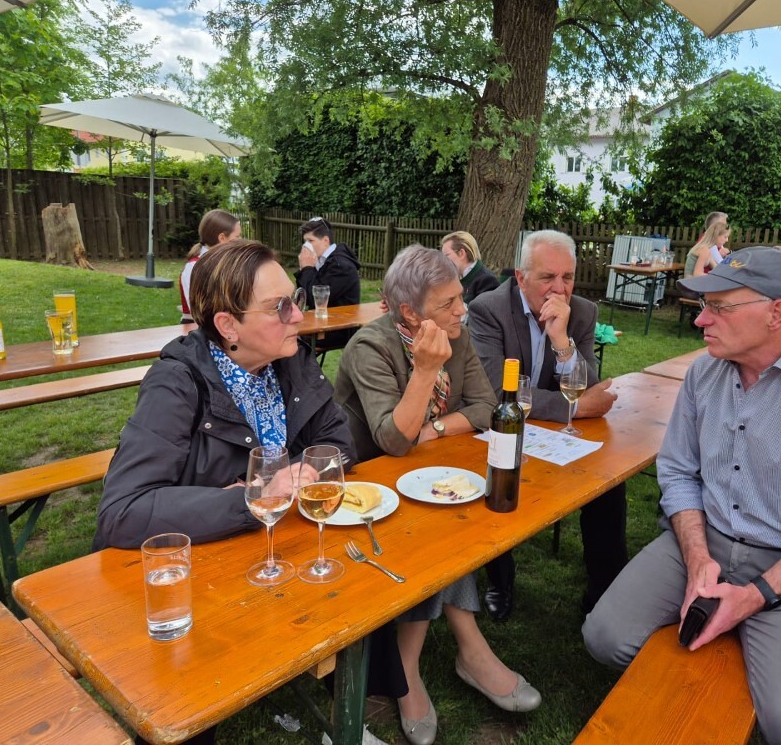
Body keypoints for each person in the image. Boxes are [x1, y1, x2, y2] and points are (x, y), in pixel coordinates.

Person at [583, 247, 781, 745]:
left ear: (777, 313)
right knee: (604, 637)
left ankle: (747, 635)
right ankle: (730, 639)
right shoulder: (704, 373)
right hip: (704, 541)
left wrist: (753, 597)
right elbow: (677, 471)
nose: (701, 319)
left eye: (720, 307)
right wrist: (697, 556)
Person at [97, 239, 391, 745]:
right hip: (197, 569)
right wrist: (252, 498)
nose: (297, 315)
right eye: (279, 307)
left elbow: (339, 445)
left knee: (363, 581)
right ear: (228, 326)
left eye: (295, 298)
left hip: (273, 549)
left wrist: (295, 475)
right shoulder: (178, 382)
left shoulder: (289, 361)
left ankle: (350, 712)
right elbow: (122, 511)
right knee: (185, 700)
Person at [335, 245, 541, 745]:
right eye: (448, 303)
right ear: (410, 312)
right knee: (440, 536)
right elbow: (392, 440)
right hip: (367, 492)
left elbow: (487, 404)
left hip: (425, 475)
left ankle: (438, 658)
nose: (462, 310)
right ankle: (456, 654)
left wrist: (434, 429)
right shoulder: (370, 346)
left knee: (452, 522)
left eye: (460, 297)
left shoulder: (456, 335)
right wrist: (426, 373)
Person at [467, 230, 627, 620]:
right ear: (521, 277)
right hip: (495, 428)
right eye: (547, 277)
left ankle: (605, 591)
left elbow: (588, 386)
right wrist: (576, 407)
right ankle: (500, 579)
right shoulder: (488, 309)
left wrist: (561, 340)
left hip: (550, 433)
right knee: (501, 474)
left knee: (608, 482)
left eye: (567, 277)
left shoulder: (581, 313)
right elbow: (494, 391)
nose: (559, 288)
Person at [296, 216, 362, 350]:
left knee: (289, 337)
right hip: (321, 322)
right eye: (305, 241)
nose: (306, 246)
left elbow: (314, 298)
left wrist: (307, 269)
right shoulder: (322, 260)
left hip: (338, 329)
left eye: (310, 241)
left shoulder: (340, 265)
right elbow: (302, 296)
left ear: (325, 241)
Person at [179, 210, 241, 324]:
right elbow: (198, 311)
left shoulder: (228, 263)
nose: (240, 240)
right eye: (237, 236)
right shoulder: (194, 267)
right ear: (222, 238)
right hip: (199, 328)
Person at [441, 231, 500, 306]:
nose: (443, 261)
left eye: (446, 255)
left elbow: (484, 311)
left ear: (461, 253)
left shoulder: (486, 280)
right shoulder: (457, 278)